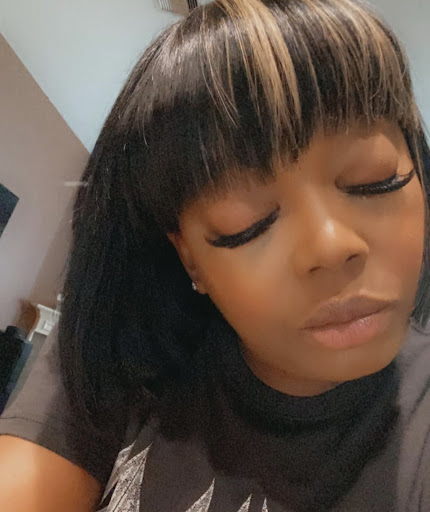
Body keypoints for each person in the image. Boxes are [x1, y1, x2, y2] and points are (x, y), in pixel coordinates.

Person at [1, 0, 430, 510]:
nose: (331, 246)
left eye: (373, 180)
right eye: (248, 222)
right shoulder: (114, 342)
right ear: (189, 258)